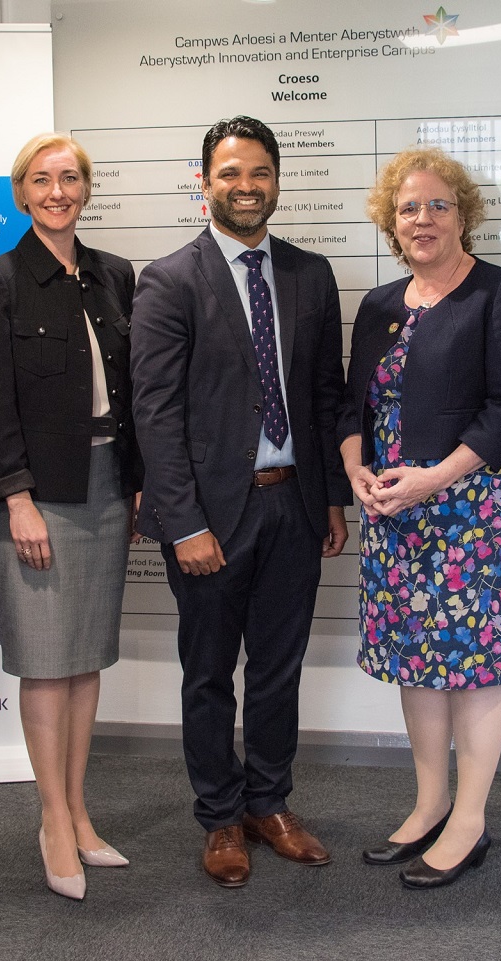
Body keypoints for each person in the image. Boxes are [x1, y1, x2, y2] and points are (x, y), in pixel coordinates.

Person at [130, 115, 351, 887]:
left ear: (277, 181)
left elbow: (324, 397)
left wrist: (329, 500)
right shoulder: (168, 279)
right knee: (208, 671)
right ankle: (220, 815)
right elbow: (154, 414)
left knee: (279, 669)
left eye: (258, 172)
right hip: (210, 518)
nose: (246, 186)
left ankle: (269, 801)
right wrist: (183, 520)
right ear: (205, 182)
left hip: (293, 503)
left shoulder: (309, 274)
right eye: (230, 173)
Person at [339, 147, 501, 890]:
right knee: (418, 666)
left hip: (470, 513)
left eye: (438, 205)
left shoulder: (498, 293)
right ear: (393, 221)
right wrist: (359, 466)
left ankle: (470, 819)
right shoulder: (382, 305)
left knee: (473, 670)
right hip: (393, 511)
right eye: (408, 208)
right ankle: (428, 804)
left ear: (464, 214)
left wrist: (433, 480)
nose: (423, 219)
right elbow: (350, 405)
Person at [0, 133, 142, 902]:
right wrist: (15, 499)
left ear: (87, 188)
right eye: (42, 179)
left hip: (106, 483)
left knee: (85, 656)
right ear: (21, 192)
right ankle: (50, 819)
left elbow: (130, 394)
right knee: (45, 659)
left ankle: (78, 809)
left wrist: (136, 484)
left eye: (70, 178)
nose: (57, 190)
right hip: (38, 494)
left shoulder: (115, 274)